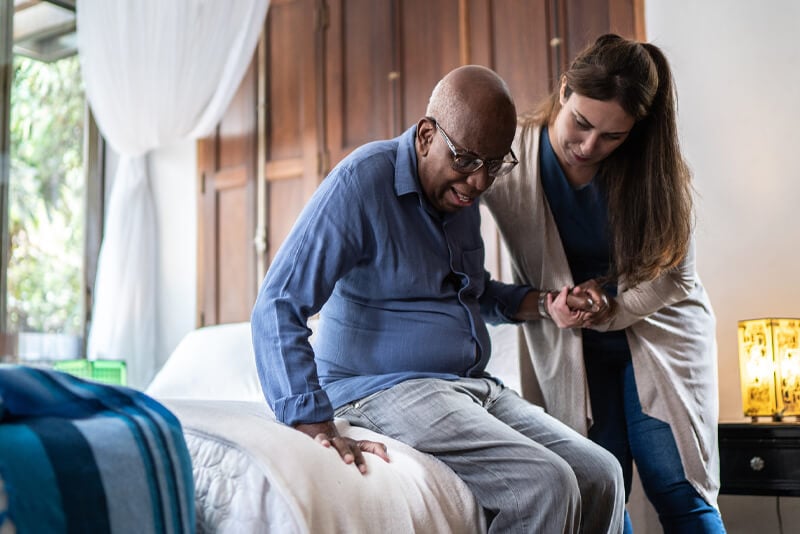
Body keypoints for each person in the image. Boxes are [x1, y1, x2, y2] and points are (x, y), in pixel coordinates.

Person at [251, 64, 625, 533]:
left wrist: (545, 303)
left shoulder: (458, 199)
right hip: (382, 387)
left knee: (601, 473)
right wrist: (311, 419)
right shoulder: (362, 183)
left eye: (494, 165)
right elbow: (278, 302)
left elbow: (476, 294)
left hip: (471, 386)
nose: (479, 183)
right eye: (467, 161)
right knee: (546, 484)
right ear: (427, 135)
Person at [482, 34, 726, 533]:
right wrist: (552, 304)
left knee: (676, 484)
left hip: (658, 330)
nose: (589, 147)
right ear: (565, 88)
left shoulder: (653, 170)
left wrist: (610, 310)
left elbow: (675, 274)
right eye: (582, 123)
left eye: (611, 137)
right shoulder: (509, 159)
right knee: (599, 490)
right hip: (571, 341)